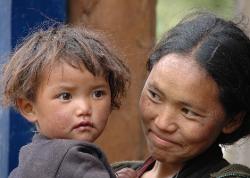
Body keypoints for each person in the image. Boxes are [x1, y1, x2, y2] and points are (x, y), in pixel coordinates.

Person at [113, 12, 250, 178]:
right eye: (155, 95)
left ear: (232, 120)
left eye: (188, 112)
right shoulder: (110, 171)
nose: (163, 123)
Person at [1, 24, 130, 178]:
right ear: (29, 108)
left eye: (98, 94)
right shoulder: (72, 158)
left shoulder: (34, 156)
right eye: (65, 96)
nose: (84, 108)